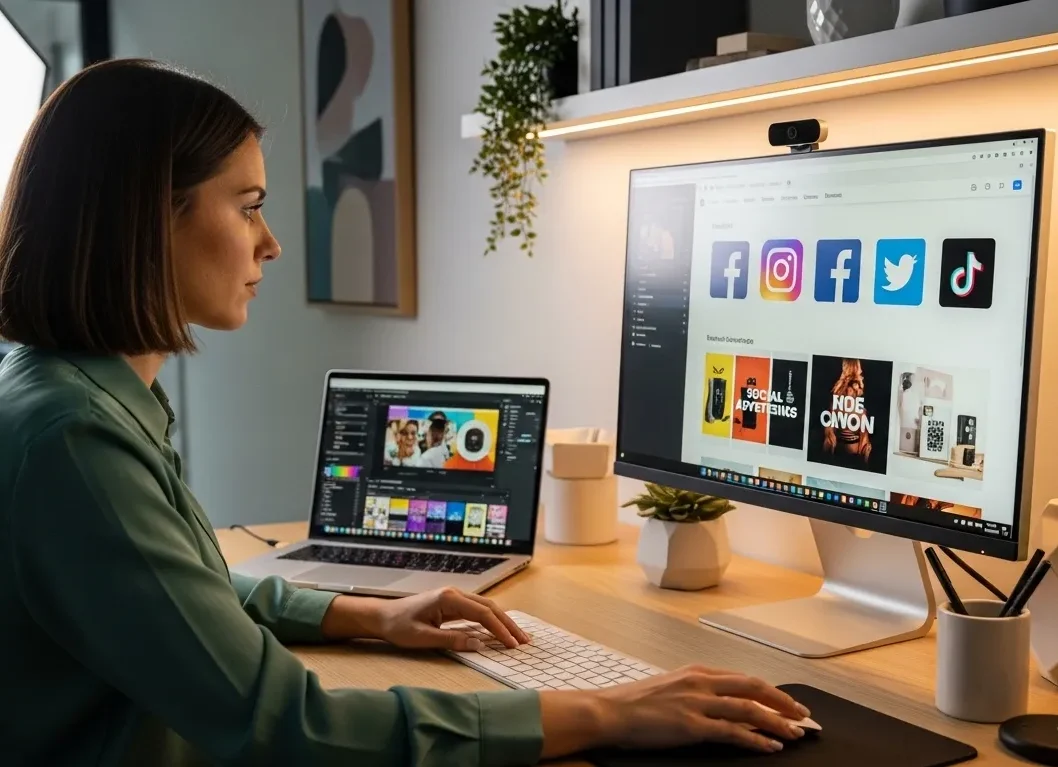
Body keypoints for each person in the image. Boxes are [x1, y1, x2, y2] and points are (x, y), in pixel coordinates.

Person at [0, 59, 810, 766]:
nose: (271, 242)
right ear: (149, 217)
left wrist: (370, 616)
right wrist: (609, 708)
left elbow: (179, 600)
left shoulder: (65, 390)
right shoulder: (77, 440)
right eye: (248, 205)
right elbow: (286, 725)